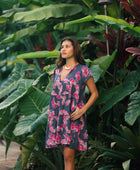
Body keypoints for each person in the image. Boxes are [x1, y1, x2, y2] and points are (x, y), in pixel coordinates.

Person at [45, 37, 98, 170]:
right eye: (62, 46)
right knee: (66, 156)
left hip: (73, 117)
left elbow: (95, 94)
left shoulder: (83, 70)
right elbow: (56, 93)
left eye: (67, 46)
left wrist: (82, 110)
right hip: (57, 117)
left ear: (75, 49)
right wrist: (50, 109)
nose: (63, 49)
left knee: (69, 156)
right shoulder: (57, 71)